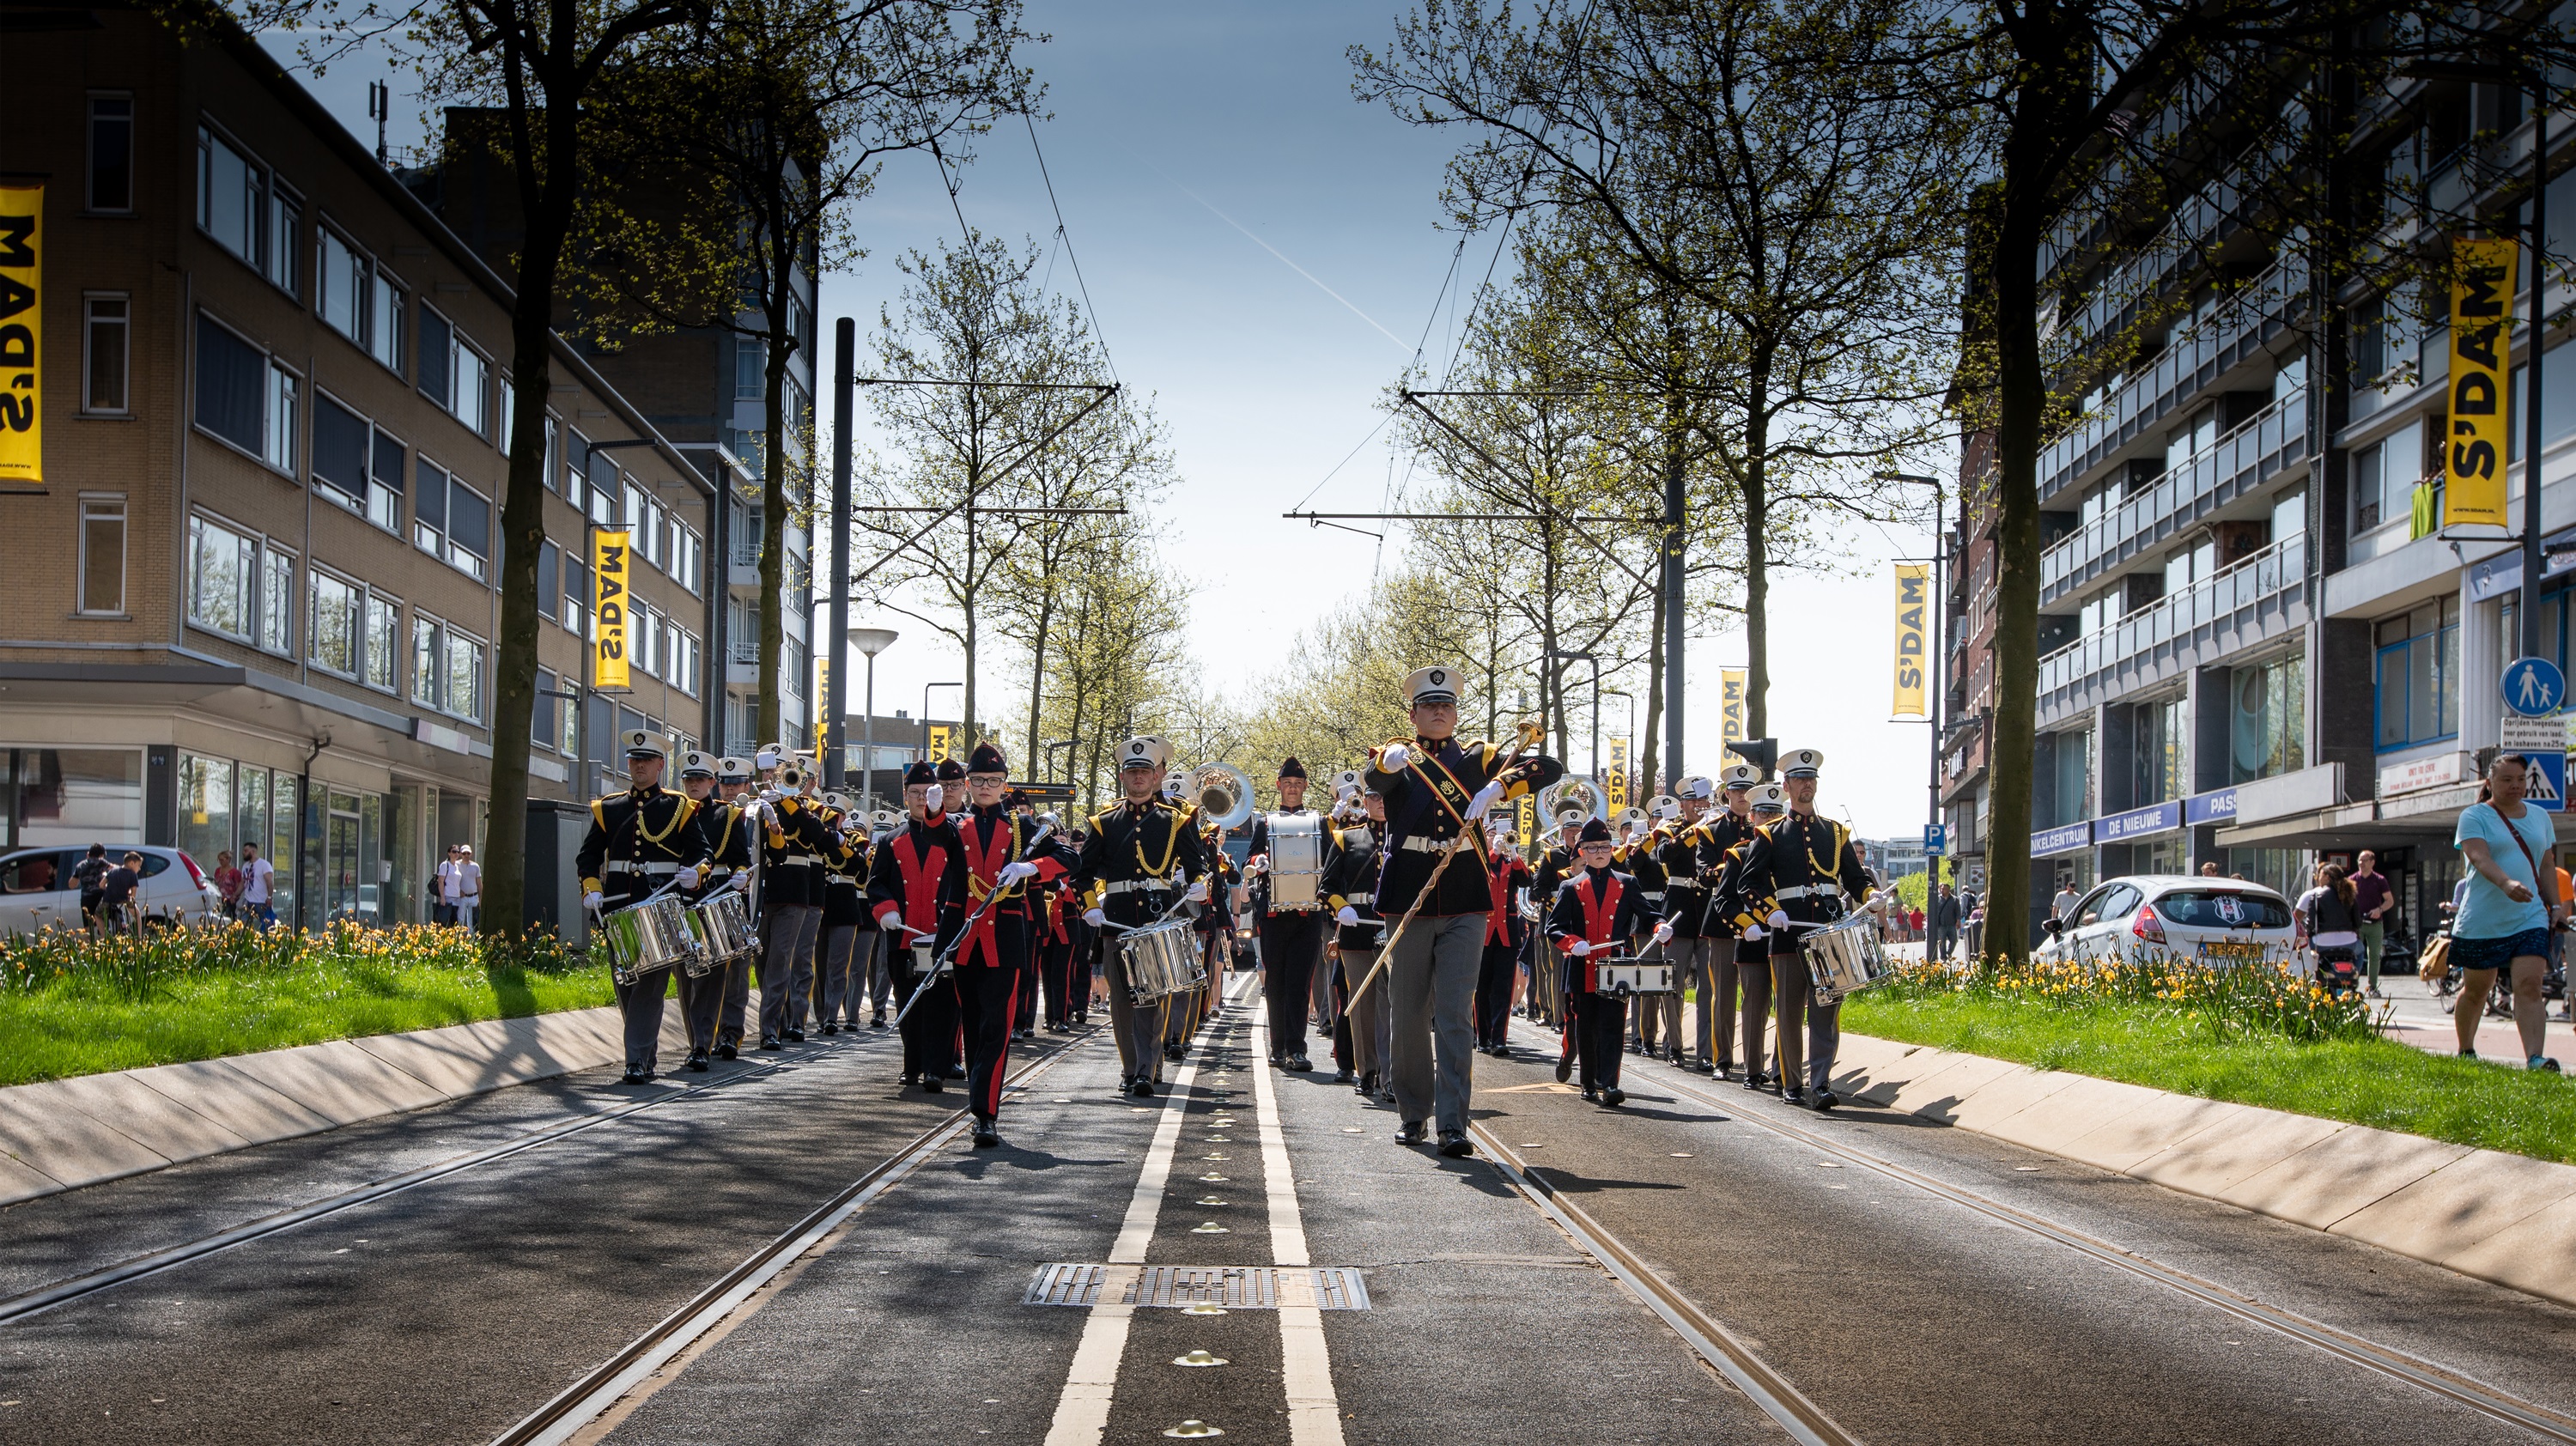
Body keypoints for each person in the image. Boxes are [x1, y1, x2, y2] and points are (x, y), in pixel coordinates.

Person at [1363, 663, 1564, 1157]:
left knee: (1455, 1013)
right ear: (1413, 714)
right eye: (1429, 706)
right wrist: (1388, 764)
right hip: (1410, 897)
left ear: (1455, 713)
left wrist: (1500, 787)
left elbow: (1549, 768)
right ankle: (1413, 1113)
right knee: (1409, 1014)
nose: (1439, 712)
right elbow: (1375, 781)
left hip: (1467, 901)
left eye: (1446, 705)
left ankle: (1453, 1124)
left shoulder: (1483, 759)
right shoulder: (1399, 759)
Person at [1716, 750, 1874, 1108]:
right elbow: (1748, 884)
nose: (1807, 785)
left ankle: (1820, 1083)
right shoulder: (1770, 834)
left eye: (1812, 779)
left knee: (1826, 1014)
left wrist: (1870, 893)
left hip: (1829, 935)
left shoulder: (1836, 833)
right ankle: (1791, 1081)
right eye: (1800, 779)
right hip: (1788, 935)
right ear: (1786, 786)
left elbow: (1854, 876)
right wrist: (1769, 912)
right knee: (1788, 1013)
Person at [943, 742, 1075, 1146]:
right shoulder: (956, 826)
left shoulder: (1023, 829)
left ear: (1004, 785)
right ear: (967, 784)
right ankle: (977, 1098)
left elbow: (1071, 859)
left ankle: (985, 1112)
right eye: (979, 780)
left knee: (996, 1027)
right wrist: (932, 810)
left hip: (1004, 938)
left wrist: (1030, 867)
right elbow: (926, 839)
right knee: (972, 1021)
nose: (986, 787)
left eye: (994, 781)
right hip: (964, 937)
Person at [1072, 735, 1214, 1096]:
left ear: (1156, 776)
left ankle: (1145, 1071)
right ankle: (1131, 1067)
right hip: (1116, 919)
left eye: (1144, 771)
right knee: (1121, 1000)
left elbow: (1198, 866)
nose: (1138, 777)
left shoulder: (1174, 820)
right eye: (1131, 771)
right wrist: (1089, 904)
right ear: (1122, 776)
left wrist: (1200, 886)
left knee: (1152, 995)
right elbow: (1081, 873)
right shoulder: (1104, 821)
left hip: (1157, 916)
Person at [577, 731, 711, 1084]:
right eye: (634, 760)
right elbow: (588, 857)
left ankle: (635, 1059)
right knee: (626, 985)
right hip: (618, 905)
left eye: (646, 760)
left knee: (651, 985)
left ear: (660, 765)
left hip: (661, 905)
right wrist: (591, 888)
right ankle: (645, 1055)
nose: (639, 765)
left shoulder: (679, 807)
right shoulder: (609, 808)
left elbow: (703, 854)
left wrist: (694, 873)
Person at [2450, 753, 2563, 1072]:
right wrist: (2506, 883)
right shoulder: (2474, 816)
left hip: (2529, 918)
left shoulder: (2540, 816)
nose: (2515, 786)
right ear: (2490, 783)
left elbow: (2546, 864)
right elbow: (2479, 858)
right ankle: (2466, 1050)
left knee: (2529, 985)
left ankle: (2535, 1059)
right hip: (2482, 919)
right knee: (2476, 990)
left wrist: (2555, 907)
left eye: (2521, 780)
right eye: (2507, 780)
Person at [1547, 817, 1672, 1105]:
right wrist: (1572, 942)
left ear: (1613, 848)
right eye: (1592, 848)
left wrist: (1660, 927)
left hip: (1617, 968)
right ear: (1582, 852)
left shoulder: (1627, 883)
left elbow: (1649, 913)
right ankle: (1588, 1083)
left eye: (1604, 846)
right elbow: (1553, 928)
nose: (1600, 852)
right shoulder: (1571, 886)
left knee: (1614, 1026)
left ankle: (1610, 1084)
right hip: (1582, 966)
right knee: (1586, 1027)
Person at [869, 762, 965, 1093]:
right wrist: (887, 911)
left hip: (943, 937)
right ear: (905, 796)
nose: (922, 799)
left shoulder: (953, 836)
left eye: (928, 793)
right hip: (903, 938)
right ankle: (913, 1065)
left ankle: (936, 1068)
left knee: (944, 1005)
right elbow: (876, 884)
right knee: (908, 1003)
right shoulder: (890, 841)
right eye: (915, 793)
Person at [1244, 757, 1328, 1071]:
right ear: (1279, 786)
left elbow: (1329, 861)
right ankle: (1278, 1046)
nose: (1293, 789)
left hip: (1308, 914)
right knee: (1276, 981)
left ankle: (1297, 1049)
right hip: (1273, 914)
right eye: (1287, 784)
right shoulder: (1265, 823)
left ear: (1304, 787)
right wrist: (1260, 859)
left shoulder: (1319, 822)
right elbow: (1252, 857)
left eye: (1298, 784)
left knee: (1300, 981)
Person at [754, 744, 832, 1049]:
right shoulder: (754, 804)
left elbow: (818, 836)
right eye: (767, 771)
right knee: (762, 963)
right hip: (759, 893)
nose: (773, 777)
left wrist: (787, 803)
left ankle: (771, 1029)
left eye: (779, 771)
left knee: (780, 961)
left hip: (793, 891)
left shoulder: (804, 807)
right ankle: (780, 1020)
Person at [686, 755, 759, 1065]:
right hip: (687, 898)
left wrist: (743, 874)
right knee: (692, 973)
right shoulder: (679, 812)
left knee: (734, 971)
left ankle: (730, 1032)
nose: (730, 790)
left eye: (735, 784)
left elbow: (742, 857)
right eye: (689, 780)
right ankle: (700, 1040)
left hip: (724, 897)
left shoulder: (728, 816)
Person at [1326, 787, 1394, 1095]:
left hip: (1396, 927)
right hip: (1358, 928)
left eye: (1387, 796)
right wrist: (1343, 908)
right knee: (1363, 1004)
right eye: (1376, 797)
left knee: (1393, 1004)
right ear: (1365, 800)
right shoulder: (1346, 838)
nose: (1381, 803)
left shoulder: (1407, 837)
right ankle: (1367, 1071)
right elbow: (1326, 888)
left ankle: (1391, 1073)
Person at [1474, 817, 1534, 1059]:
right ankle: (1482, 1036)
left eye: (1504, 834)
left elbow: (1528, 881)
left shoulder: (1513, 862)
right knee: (1482, 986)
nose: (1499, 837)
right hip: (1484, 932)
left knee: (1503, 988)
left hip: (1507, 933)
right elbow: (1478, 876)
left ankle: (1499, 1038)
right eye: (1493, 833)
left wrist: (1515, 856)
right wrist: (1493, 852)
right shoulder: (1481, 858)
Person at [2294, 862, 2363, 996]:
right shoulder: (2350, 893)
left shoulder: (2313, 895)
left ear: (2325, 876)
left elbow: (2303, 922)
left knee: (2306, 956)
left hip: (2322, 943)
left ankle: (2310, 982)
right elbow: (2357, 922)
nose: (2317, 878)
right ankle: (2355, 975)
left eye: (2319, 875)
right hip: (2349, 944)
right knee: (2360, 952)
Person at [2348, 850, 2394, 995]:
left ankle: (2372, 987)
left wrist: (2379, 910)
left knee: (2374, 955)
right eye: (2360, 860)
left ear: (2372, 862)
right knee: (2353, 954)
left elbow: (2390, 901)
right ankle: (2351, 985)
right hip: (2357, 925)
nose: (2361, 863)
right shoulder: (2352, 880)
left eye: (2365, 860)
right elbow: (2345, 901)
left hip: (2375, 924)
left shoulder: (2380, 880)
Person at [99, 851, 144, 934]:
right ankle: (139, 937)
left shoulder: (112, 871)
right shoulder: (132, 875)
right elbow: (133, 894)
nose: (139, 868)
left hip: (108, 900)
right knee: (137, 915)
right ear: (132, 863)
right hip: (123, 899)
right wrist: (130, 895)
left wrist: (108, 888)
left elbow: (101, 885)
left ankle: (103, 936)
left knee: (98, 916)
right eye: (139, 865)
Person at [239, 842, 276, 930]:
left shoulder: (264, 865)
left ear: (253, 851)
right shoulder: (245, 866)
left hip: (261, 901)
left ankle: (267, 941)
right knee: (243, 925)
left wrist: (269, 897)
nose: (243, 853)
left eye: (246, 851)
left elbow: (269, 882)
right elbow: (243, 882)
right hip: (248, 901)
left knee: (266, 926)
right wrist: (235, 894)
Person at [74, 844, 110, 931]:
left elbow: (72, 884)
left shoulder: (81, 865)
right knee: (102, 923)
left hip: (86, 899)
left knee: (88, 928)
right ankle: (104, 940)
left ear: (89, 853)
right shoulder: (101, 861)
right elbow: (114, 869)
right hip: (100, 897)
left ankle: (88, 944)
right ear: (101, 855)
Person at [1929, 882, 1961, 963]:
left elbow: (1958, 911)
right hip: (1941, 924)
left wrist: (1958, 921)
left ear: (1948, 890)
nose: (1942, 890)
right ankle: (1943, 957)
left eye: (1944, 889)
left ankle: (1949, 952)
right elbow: (1934, 911)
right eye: (1941, 889)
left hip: (1951, 923)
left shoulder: (1955, 899)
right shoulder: (1937, 899)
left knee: (1954, 940)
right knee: (1942, 942)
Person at [212, 850, 243, 921]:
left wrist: (235, 896)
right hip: (220, 898)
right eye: (219, 860)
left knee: (229, 917)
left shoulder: (235, 872)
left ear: (228, 859)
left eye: (222, 860)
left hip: (230, 899)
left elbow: (239, 885)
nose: (220, 862)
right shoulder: (217, 870)